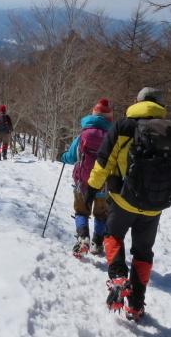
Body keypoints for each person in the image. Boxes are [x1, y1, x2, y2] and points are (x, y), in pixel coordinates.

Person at [85, 87, 171, 322]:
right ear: (160, 105)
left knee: (113, 235)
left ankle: (117, 277)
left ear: (136, 101)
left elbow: (104, 162)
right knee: (143, 252)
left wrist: (91, 190)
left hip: (123, 200)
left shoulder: (123, 126)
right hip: (155, 205)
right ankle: (136, 305)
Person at [61, 98, 113, 258]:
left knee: (81, 212)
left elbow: (71, 157)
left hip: (81, 183)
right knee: (101, 215)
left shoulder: (83, 136)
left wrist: (62, 157)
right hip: (103, 186)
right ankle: (97, 243)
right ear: (109, 119)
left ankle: (83, 238)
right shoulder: (112, 138)